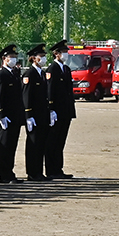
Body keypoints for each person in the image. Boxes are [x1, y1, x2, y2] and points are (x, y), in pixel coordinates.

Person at [45, 39, 76, 180]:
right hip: (56, 112)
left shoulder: (66, 69)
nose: (66, 54)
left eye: (66, 52)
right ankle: (51, 170)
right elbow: (50, 91)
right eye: (64, 52)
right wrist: (51, 109)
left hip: (65, 111)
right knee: (53, 141)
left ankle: (58, 168)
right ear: (56, 54)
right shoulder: (52, 69)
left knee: (61, 141)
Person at [0, 45, 25, 184]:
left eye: (14, 57)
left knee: (12, 145)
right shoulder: (1, 75)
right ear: (4, 59)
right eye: (11, 57)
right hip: (6, 116)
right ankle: (4, 174)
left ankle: (9, 172)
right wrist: (1, 115)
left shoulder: (14, 74)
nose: (13, 59)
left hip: (15, 116)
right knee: (5, 145)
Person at [22, 44, 50, 182]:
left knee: (41, 144)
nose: (44, 58)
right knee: (33, 144)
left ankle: (39, 171)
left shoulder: (42, 73)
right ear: (34, 58)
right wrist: (28, 115)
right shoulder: (29, 74)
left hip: (42, 115)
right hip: (33, 116)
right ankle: (32, 172)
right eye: (41, 56)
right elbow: (26, 96)